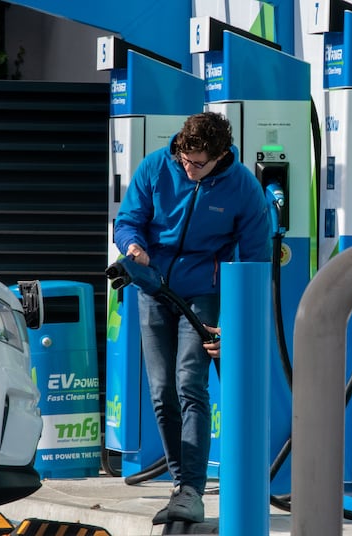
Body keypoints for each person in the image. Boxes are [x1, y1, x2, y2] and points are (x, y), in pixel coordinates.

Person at [113, 112, 271, 524]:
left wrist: (235, 326)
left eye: (198, 163)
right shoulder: (155, 166)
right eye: (184, 158)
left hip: (202, 294)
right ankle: (180, 483)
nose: (188, 168)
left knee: (189, 384)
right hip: (153, 288)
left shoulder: (244, 189)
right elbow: (128, 220)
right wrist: (133, 247)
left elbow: (256, 262)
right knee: (162, 390)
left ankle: (191, 490)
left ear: (221, 156)